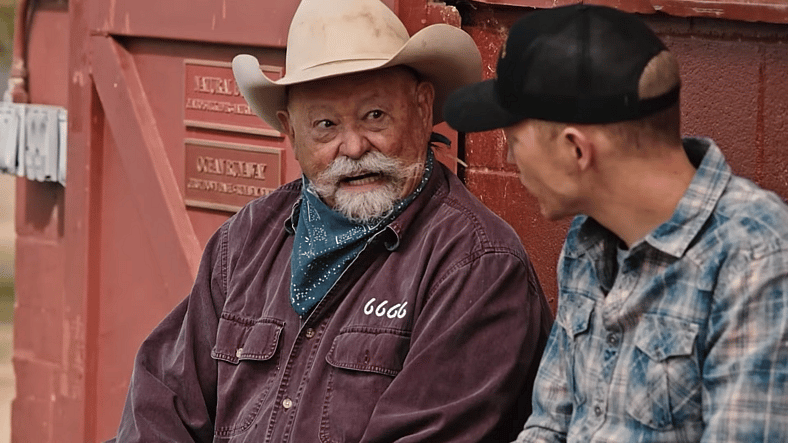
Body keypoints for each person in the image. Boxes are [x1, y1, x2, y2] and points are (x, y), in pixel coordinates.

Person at [108, 0, 554, 441]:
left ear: (422, 108)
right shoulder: (244, 240)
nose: (354, 147)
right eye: (325, 124)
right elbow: (161, 405)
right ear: (291, 132)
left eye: (375, 116)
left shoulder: (476, 263)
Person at [443, 4, 788, 442]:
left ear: (576, 150)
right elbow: (549, 424)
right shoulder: (587, 241)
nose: (510, 158)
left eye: (513, 140)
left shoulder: (758, 258)